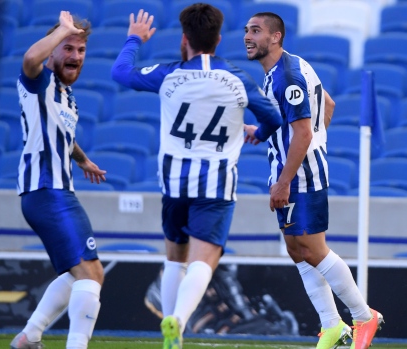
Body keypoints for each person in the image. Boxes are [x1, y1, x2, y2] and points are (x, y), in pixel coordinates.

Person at [111, 4, 283, 349]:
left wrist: (134, 39)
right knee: (204, 260)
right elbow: (275, 117)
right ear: (218, 39)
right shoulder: (237, 79)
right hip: (216, 187)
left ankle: (170, 322)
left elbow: (120, 73)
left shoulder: (168, 74)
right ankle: (179, 322)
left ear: (184, 39)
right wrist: (258, 131)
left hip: (173, 184)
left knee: (175, 258)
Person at [243, 12, 383, 349]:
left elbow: (303, 132)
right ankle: (331, 324)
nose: (248, 37)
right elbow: (328, 105)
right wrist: (264, 133)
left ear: (275, 37)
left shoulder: (285, 77)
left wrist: (286, 179)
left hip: (300, 175)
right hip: (294, 170)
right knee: (296, 249)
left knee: (312, 248)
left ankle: (364, 316)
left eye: (256, 31)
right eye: (246, 30)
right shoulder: (284, 69)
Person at [9, 11, 108, 349]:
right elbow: (29, 59)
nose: (76, 57)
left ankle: (29, 336)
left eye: (81, 50)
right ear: (53, 52)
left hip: (57, 191)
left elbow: (64, 136)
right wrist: (62, 31)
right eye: (68, 48)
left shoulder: (66, 96)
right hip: (47, 191)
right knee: (92, 274)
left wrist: (83, 160)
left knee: (76, 273)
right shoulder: (40, 80)